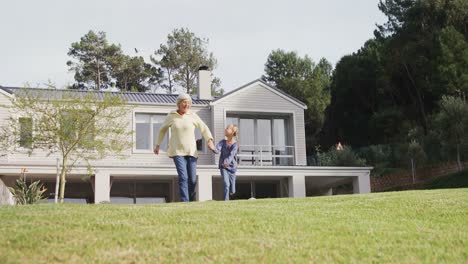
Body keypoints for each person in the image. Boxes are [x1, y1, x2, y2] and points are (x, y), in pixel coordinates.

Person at [154, 93, 216, 202]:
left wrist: (209, 141)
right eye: (184, 102)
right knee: (183, 177)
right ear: (179, 103)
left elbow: (204, 128)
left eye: (188, 102)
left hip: (191, 151)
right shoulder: (172, 116)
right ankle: (184, 201)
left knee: (192, 180)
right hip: (177, 151)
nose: (186, 104)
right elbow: (162, 130)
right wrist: (158, 145)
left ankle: (191, 201)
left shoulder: (193, 116)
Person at [215, 124, 239, 201]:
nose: (225, 129)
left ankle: (232, 191)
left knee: (232, 190)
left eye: (227, 128)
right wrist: (212, 147)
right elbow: (217, 149)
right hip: (223, 166)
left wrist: (227, 162)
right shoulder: (222, 142)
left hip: (232, 168)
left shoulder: (235, 145)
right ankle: (226, 201)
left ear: (232, 132)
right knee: (226, 184)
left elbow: (231, 155)